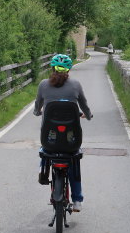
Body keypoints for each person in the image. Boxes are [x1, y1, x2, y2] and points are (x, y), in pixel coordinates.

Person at [34, 53, 92, 212]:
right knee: (73, 160)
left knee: (45, 150)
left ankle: (42, 171)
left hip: (50, 139)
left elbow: (38, 105)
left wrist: (37, 112)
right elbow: (84, 105)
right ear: (69, 69)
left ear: (52, 68)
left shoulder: (43, 85)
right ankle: (78, 200)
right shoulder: (75, 85)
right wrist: (87, 115)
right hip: (70, 140)